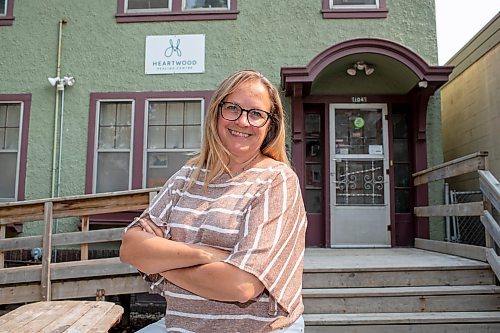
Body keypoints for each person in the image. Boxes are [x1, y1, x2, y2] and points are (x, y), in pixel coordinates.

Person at [120, 69, 307, 332]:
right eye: (232, 108)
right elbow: (131, 248)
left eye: (256, 114)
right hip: (180, 326)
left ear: (270, 125)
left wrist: (161, 263)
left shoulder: (277, 181)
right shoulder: (188, 175)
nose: (243, 122)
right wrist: (206, 254)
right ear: (216, 113)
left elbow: (242, 285)